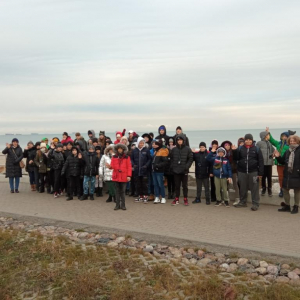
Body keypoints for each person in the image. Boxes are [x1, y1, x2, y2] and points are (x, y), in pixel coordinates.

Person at [232, 134, 264, 211]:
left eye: (250, 140)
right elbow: (236, 159)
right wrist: (234, 151)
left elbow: (261, 161)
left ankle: (255, 204)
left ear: (252, 140)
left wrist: (260, 173)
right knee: (242, 188)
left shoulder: (256, 149)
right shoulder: (240, 149)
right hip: (242, 172)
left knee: (255, 188)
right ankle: (243, 202)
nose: (248, 141)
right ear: (244, 140)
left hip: (253, 172)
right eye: (247, 140)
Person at [275, 135, 300, 214]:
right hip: (287, 174)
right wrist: (278, 157)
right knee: (285, 190)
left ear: (297, 141)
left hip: (297, 174)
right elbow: (282, 161)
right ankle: (287, 206)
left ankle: (296, 207)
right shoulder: (287, 151)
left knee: (297, 191)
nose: (292, 142)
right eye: (291, 141)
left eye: (294, 141)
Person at [170, 135, 193, 206]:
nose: (179, 141)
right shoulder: (174, 149)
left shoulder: (187, 149)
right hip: (176, 170)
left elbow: (190, 158)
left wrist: (186, 166)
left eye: (181, 140)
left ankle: (185, 199)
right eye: (178, 140)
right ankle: (176, 198)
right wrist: (173, 166)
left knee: (185, 186)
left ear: (183, 141)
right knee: (177, 186)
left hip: (184, 170)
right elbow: (171, 159)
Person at [267, 127, 290, 198]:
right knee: (280, 177)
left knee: (287, 177)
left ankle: (287, 189)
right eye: (283, 136)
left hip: (287, 164)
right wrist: (268, 133)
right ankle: (281, 190)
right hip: (279, 163)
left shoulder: (289, 145)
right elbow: (272, 140)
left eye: (286, 136)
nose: (284, 137)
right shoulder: (278, 144)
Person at [110, 143, 132, 210]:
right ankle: (117, 205)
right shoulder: (114, 157)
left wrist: (129, 175)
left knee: (122, 191)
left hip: (124, 176)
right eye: (118, 148)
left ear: (123, 149)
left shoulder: (127, 157)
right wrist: (109, 166)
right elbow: (112, 166)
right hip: (116, 176)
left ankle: (123, 205)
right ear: (116, 149)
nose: (119, 150)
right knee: (117, 191)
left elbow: (129, 167)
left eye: (121, 148)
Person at [131, 137, 152, 203]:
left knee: (144, 184)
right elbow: (131, 159)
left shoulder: (146, 150)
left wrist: (146, 165)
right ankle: (141, 196)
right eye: (140, 143)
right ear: (138, 143)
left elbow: (149, 159)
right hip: (137, 170)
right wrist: (133, 164)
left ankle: (145, 196)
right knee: (138, 184)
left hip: (144, 170)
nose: (141, 144)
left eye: (142, 143)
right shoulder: (135, 150)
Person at [256, 131, 275, 197]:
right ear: (264, 136)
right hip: (262, 163)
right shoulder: (259, 143)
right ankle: (263, 188)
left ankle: (269, 188)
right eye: (267, 135)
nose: (268, 136)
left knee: (269, 176)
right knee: (263, 176)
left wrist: (272, 154)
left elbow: (273, 150)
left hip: (269, 162)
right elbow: (257, 151)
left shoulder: (269, 143)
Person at [152, 140, 169, 204]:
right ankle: (157, 196)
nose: (154, 145)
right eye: (153, 144)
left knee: (160, 184)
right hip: (154, 170)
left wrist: (158, 166)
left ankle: (163, 197)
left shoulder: (163, 151)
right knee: (155, 184)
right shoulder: (156, 151)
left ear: (158, 145)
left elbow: (165, 162)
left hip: (159, 171)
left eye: (155, 144)